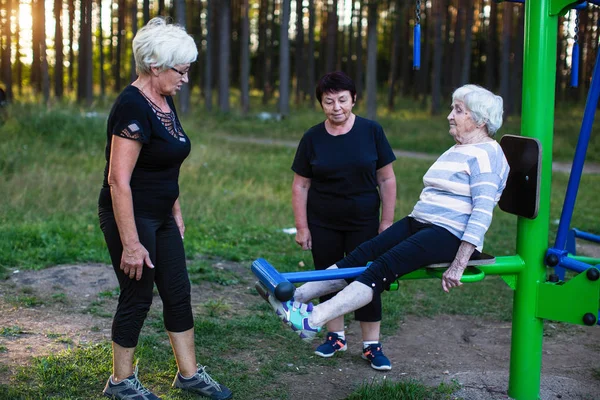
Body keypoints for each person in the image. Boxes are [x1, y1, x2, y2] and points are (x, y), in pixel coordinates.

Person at [268, 84, 509, 353]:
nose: (450, 115)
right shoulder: (459, 148)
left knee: (381, 268)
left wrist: (460, 263)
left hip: (449, 233)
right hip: (421, 221)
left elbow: (482, 212)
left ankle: (312, 319)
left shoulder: (488, 156)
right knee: (361, 254)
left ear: (480, 120)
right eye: (453, 108)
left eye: (459, 110)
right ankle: (292, 298)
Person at [98, 18, 232, 400]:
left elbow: (165, 161)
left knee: (177, 290)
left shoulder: (164, 99)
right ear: (155, 66)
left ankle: (189, 374)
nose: (186, 78)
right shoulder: (131, 106)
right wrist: (131, 243)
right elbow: (118, 181)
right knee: (138, 296)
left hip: (160, 215)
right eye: (181, 70)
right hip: (131, 216)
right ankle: (120, 383)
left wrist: (175, 209)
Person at [290, 71, 397, 370]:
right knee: (326, 278)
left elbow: (386, 179)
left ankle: (371, 345)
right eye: (328, 101)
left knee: (369, 278)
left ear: (353, 100)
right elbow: (301, 185)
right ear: (321, 104)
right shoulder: (312, 137)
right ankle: (335, 336)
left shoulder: (371, 131)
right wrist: (302, 226)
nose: (336, 107)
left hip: (364, 222)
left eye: (342, 100)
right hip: (322, 222)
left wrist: (386, 222)